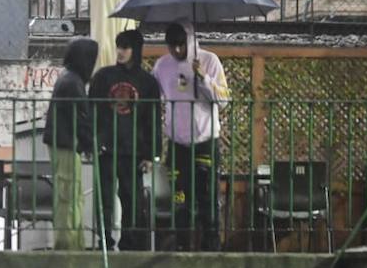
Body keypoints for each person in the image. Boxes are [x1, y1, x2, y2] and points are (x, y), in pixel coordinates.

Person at [152, 20, 230, 251]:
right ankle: (182, 246)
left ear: (189, 41)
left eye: (180, 45)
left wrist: (203, 77)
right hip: (177, 143)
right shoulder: (162, 65)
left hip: (205, 141)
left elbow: (224, 100)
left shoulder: (209, 60)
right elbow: (154, 98)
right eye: (171, 46)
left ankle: (211, 248)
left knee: (208, 197)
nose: (176, 51)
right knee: (180, 199)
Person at [89, 29, 161, 251]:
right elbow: (91, 109)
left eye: (125, 47)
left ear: (135, 50)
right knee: (105, 199)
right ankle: (105, 240)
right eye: (118, 46)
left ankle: (130, 240)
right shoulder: (103, 77)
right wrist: (92, 140)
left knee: (132, 199)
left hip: (134, 150)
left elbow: (153, 118)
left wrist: (151, 153)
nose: (120, 52)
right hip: (106, 147)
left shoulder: (148, 82)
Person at [42, 36, 99, 251]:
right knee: (69, 194)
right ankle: (68, 244)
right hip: (65, 143)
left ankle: (75, 242)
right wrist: (90, 145)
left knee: (72, 194)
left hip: (64, 142)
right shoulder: (73, 83)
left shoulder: (67, 78)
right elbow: (82, 118)